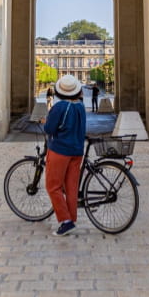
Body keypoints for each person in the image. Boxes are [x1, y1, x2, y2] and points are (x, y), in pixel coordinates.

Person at [43, 74, 88, 236]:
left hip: (61, 150)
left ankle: (65, 220)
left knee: (53, 186)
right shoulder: (80, 107)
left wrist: (45, 123)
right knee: (71, 187)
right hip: (77, 151)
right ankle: (71, 218)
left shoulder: (60, 107)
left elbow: (49, 129)